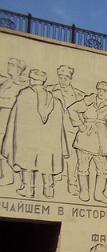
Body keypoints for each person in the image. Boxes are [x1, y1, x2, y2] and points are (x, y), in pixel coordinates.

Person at [2, 69, 67, 199]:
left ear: (32, 80)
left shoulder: (24, 95)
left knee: (26, 161)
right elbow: (59, 126)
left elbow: (16, 118)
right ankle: (49, 190)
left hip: (28, 138)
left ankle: (28, 189)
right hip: (48, 142)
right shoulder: (55, 100)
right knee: (47, 163)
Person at [68, 81, 107, 203]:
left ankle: (99, 194)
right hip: (85, 137)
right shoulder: (88, 101)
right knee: (83, 166)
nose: (101, 92)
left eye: (104, 91)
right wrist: (80, 125)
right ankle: (84, 192)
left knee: (103, 169)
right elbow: (72, 109)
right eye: (99, 89)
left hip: (101, 140)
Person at [48, 65, 85, 196]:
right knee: (52, 155)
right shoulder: (49, 91)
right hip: (54, 129)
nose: (63, 80)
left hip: (71, 131)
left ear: (71, 78)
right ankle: (50, 184)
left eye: (66, 78)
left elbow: (83, 113)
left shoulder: (79, 95)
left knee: (72, 158)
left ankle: (72, 185)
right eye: (61, 77)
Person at [0, 58, 27, 187]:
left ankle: (15, 179)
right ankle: (5, 176)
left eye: (12, 65)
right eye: (9, 64)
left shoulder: (22, 84)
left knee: (12, 150)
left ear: (19, 69)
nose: (9, 66)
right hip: (2, 118)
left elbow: (18, 103)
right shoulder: (5, 82)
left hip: (13, 120)